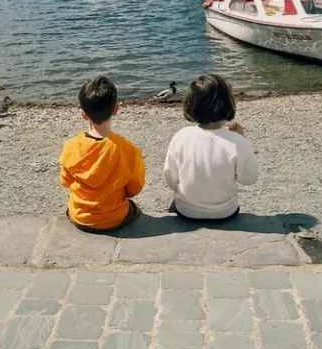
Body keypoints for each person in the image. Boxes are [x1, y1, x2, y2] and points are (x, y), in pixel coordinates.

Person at [164, 73, 259, 221]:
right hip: (224, 212)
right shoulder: (236, 142)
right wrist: (240, 138)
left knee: (175, 203)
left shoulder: (181, 136)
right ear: (228, 104)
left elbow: (170, 180)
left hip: (187, 211)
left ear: (190, 105)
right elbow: (249, 179)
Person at [60, 75, 145, 232]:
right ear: (116, 109)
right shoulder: (127, 149)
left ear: (84, 115)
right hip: (113, 218)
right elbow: (134, 189)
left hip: (80, 216)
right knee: (135, 209)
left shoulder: (71, 146)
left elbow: (66, 182)